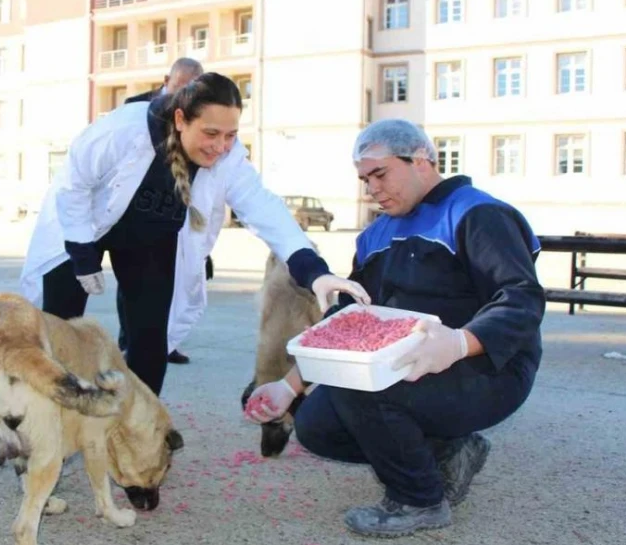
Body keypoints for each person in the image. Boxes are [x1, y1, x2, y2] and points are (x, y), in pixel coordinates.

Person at [245, 118, 545, 537]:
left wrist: (460, 343)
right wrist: (289, 386)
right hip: (406, 371)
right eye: (365, 180)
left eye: (380, 174)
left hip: (487, 371)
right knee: (316, 425)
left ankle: (418, 500)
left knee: (362, 387)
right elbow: (348, 325)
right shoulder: (375, 235)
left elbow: (522, 298)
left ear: (420, 159)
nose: (373, 190)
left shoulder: (477, 213)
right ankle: (449, 450)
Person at [20, 72, 369, 397]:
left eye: (231, 135)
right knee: (60, 329)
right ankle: (47, 426)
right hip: (83, 226)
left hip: (150, 241)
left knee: (150, 339)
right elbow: (73, 184)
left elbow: (264, 209)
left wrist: (315, 271)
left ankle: (138, 432)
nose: (221, 146)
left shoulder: (229, 159)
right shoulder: (122, 131)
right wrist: (82, 254)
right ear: (180, 120)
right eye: (211, 133)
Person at [117, 57, 207, 365]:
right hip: (130, 211)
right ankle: (127, 340)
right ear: (166, 80)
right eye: (179, 87)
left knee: (167, 285)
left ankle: (164, 342)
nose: (183, 96)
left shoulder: (197, 119)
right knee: (131, 283)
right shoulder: (136, 107)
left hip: (171, 209)